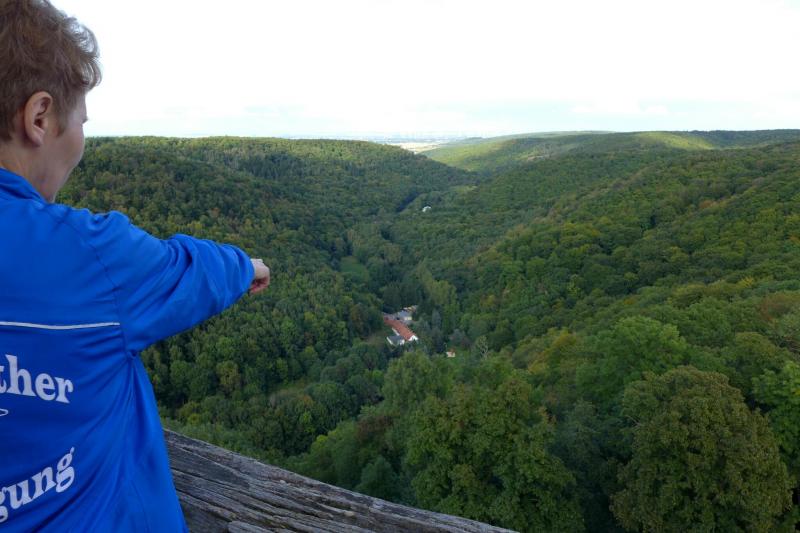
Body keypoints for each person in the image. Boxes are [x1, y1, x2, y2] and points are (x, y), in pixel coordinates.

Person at [0, 1, 271, 530]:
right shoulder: (90, 255)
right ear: (39, 118)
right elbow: (187, 273)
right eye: (81, 121)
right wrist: (247, 266)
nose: (81, 137)